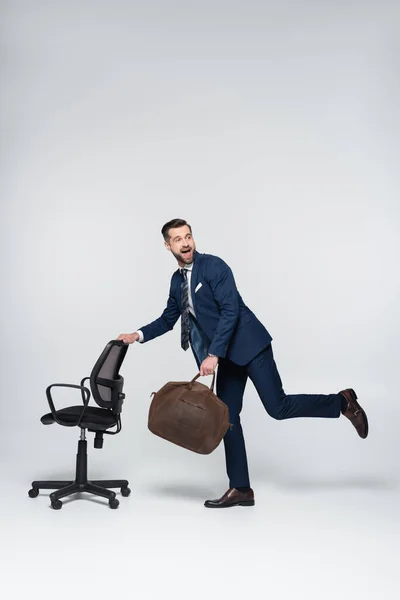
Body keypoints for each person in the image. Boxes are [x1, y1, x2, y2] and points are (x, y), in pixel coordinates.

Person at [117, 218, 368, 508]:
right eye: (178, 239)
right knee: (227, 419)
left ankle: (342, 403)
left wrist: (214, 355)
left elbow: (230, 311)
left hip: (250, 346)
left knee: (278, 407)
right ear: (167, 245)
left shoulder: (213, 267)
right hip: (227, 357)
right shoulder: (177, 282)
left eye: (188, 236)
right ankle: (241, 488)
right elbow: (168, 318)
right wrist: (137, 335)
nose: (185, 243)